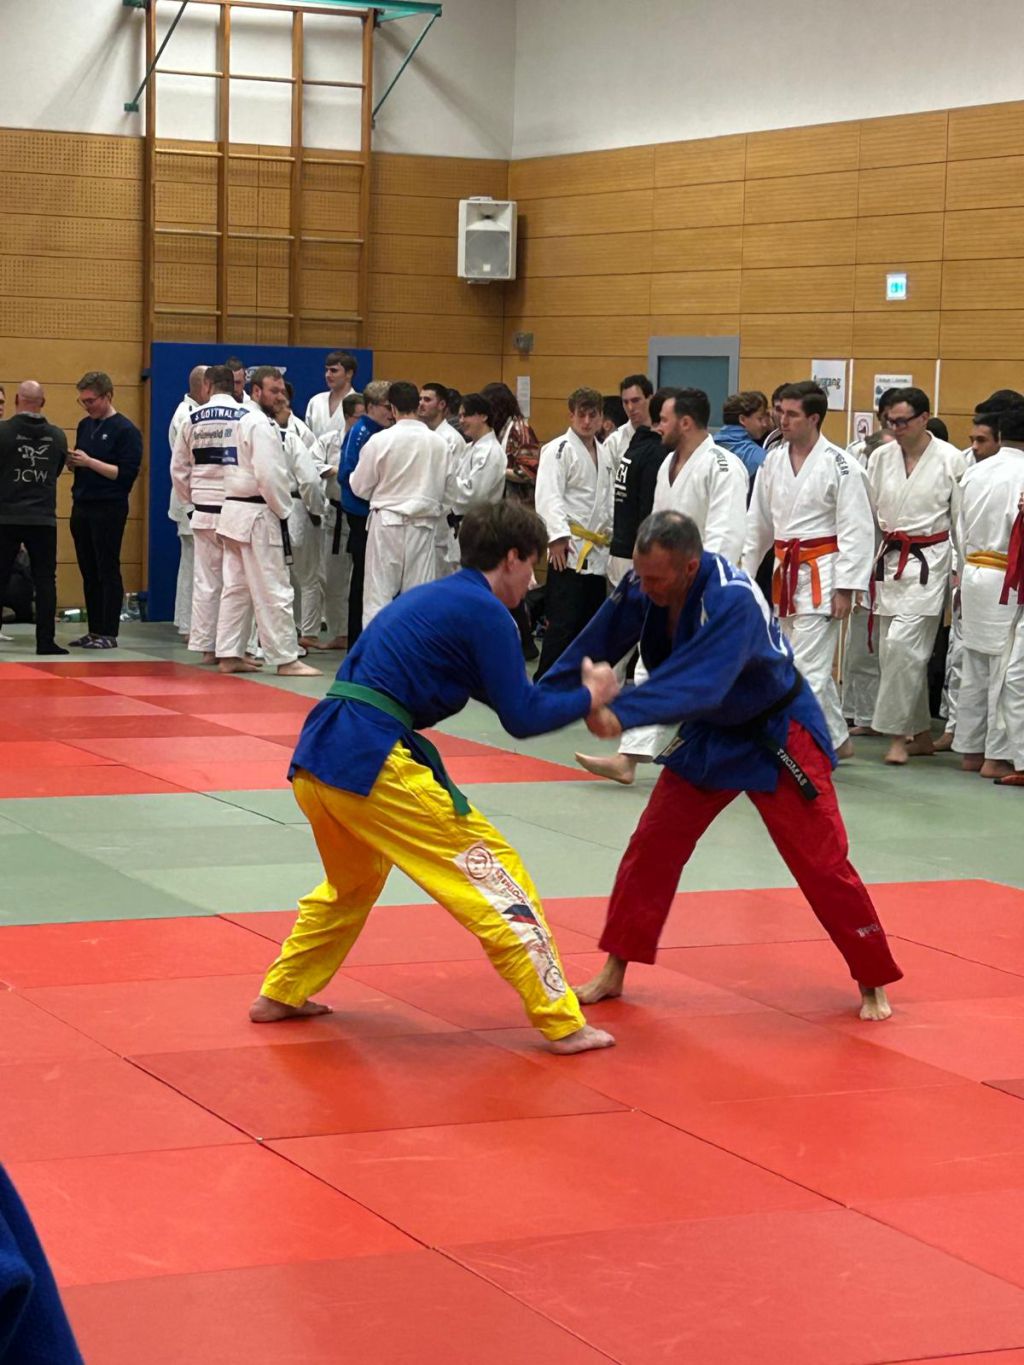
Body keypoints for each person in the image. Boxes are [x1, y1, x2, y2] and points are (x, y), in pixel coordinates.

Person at [248, 500, 619, 1054]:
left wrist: (581, 702)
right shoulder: (485, 612)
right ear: (511, 557)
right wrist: (591, 696)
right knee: (495, 873)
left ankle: (282, 991)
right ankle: (562, 1021)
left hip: (320, 755)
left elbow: (518, 700)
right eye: (532, 565)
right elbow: (522, 719)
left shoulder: (440, 598)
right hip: (371, 759)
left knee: (354, 884)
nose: (533, 580)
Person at [543, 509, 903, 1022]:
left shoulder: (732, 599)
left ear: (690, 567)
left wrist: (619, 712)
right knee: (652, 845)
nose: (646, 587)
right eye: (642, 575)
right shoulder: (645, 584)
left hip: (776, 729)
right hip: (713, 731)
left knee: (820, 860)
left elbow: (700, 683)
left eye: (657, 579)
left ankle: (872, 976)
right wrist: (539, 700)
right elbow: (594, 643)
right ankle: (615, 967)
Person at [576, 387, 748, 784]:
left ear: (685, 423)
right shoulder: (668, 463)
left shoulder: (723, 466)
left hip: (704, 586)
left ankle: (753, 749)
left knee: (715, 675)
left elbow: (726, 534)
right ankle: (629, 756)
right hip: (668, 584)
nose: (658, 427)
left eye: (664, 420)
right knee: (651, 664)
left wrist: (704, 588)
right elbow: (657, 525)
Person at [742, 381, 874, 759]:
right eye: (780, 412)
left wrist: (846, 587)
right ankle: (838, 740)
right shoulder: (772, 461)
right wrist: (743, 574)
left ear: (814, 418)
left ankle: (799, 750)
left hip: (823, 574)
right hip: (784, 573)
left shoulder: (841, 465)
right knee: (793, 660)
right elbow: (758, 524)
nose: (782, 420)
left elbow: (857, 528)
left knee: (805, 670)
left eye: (792, 414)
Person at [867, 387, 967, 765]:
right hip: (889, 561)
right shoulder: (880, 457)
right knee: (894, 655)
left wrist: (961, 571)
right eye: (889, 421)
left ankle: (897, 737)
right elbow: (868, 517)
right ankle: (922, 735)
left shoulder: (951, 459)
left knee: (903, 648)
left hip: (930, 562)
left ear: (925, 418)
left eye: (903, 421)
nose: (896, 427)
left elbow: (961, 522)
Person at [214, 365, 320, 678]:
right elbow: (270, 475)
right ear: (256, 391)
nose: (279, 397)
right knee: (275, 588)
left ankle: (229, 653)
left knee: (237, 588)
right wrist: (284, 511)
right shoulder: (260, 424)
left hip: (234, 512)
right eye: (273, 391)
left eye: (282, 391)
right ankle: (286, 658)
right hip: (259, 514)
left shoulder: (239, 420)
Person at [953, 405, 1024, 778]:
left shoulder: (974, 472)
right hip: (1007, 577)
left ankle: (970, 748)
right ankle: (996, 755)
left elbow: (959, 529)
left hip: (974, 570)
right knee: (1005, 666)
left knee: (975, 662)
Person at [350, 380, 449, 627]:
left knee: (378, 597)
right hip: (423, 524)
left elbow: (359, 486)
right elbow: (449, 489)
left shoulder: (380, 440)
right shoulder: (439, 443)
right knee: (418, 600)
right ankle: (415, 650)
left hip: (387, 522)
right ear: (417, 405)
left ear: (392, 408)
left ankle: (377, 650)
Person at [534, 386, 615, 678]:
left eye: (593, 415)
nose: (587, 421)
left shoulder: (604, 452)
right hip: (568, 549)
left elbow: (607, 500)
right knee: (563, 623)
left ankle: (578, 684)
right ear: (571, 416)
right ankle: (544, 684)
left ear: (601, 418)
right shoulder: (558, 449)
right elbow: (548, 495)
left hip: (597, 551)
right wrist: (556, 538)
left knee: (589, 623)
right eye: (581, 415)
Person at [170, 364, 246, 665]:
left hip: (203, 511)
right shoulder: (246, 417)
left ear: (207, 386)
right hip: (236, 509)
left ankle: (206, 647)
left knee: (206, 581)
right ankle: (232, 649)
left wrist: (192, 502)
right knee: (236, 582)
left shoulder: (192, 418)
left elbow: (178, 469)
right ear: (233, 385)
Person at [66, 370, 142, 649]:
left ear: (107, 396)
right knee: (88, 569)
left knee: (107, 568)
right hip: (82, 503)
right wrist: (74, 463)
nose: (87, 406)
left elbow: (124, 474)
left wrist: (89, 462)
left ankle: (109, 631)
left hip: (109, 506)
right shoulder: (85, 425)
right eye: (83, 401)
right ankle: (94, 628)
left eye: (91, 401)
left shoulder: (126, 430)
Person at [0, 381, 69, 655]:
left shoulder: (2, 432)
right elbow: (56, 469)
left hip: (6, 516)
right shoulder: (58, 436)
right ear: (43, 402)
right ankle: (46, 641)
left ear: (17, 400)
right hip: (43, 518)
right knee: (45, 580)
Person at [337, 379, 394, 647]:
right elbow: (346, 476)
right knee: (363, 579)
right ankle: (357, 641)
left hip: (373, 512)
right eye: (386, 406)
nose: (391, 412)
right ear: (371, 407)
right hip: (361, 514)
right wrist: (373, 499)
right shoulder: (361, 433)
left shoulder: (381, 431)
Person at [273, 386, 328, 650]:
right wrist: (316, 510)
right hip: (294, 507)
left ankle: (298, 631)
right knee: (306, 577)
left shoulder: (296, 432)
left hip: (277, 508)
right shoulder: (292, 436)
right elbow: (310, 480)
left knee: (284, 577)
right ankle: (306, 631)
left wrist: (314, 510)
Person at [606, 387, 674, 590]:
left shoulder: (636, 445)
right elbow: (649, 510)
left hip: (621, 548)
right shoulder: (655, 453)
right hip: (636, 554)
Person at [436, 392, 504, 576]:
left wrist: (446, 481)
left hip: (477, 528)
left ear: (483, 416)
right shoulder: (471, 448)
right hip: (460, 527)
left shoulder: (490, 451)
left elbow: (473, 494)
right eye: (459, 416)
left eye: (466, 415)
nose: (461, 421)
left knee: (470, 579)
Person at [168, 364, 211, 638]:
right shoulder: (186, 415)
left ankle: (189, 623)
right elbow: (187, 463)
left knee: (194, 563)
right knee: (194, 564)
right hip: (190, 497)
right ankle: (188, 624)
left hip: (193, 496)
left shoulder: (193, 412)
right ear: (204, 386)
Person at [482, 382, 540, 503]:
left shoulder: (521, 431)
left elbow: (528, 472)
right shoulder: (497, 428)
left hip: (518, 501)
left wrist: (494, 470)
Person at [716, 391, 772, 482]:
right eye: (760, 418)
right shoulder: (759, 457)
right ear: (742, 419)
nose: (764, 424)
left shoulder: (708, 446)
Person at [602, 374, 653, 473]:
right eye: (625, 402)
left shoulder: (664, 435)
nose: (630, 408)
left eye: (635, 400)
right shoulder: (614, 442)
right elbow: (607, 480)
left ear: (650, 399)